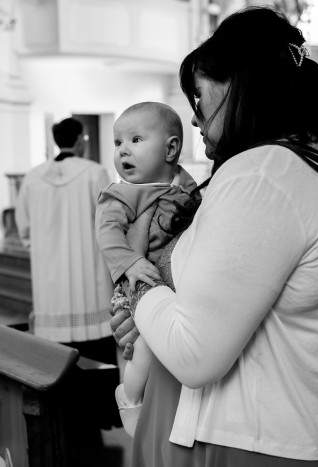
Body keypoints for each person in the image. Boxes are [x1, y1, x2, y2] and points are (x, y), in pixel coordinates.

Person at [110, 6, 318, 466]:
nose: (196, 119)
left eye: (198, 98)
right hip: (296, 432)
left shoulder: (262, 172)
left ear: (236, 85)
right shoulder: (311, 162)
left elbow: (195, 355)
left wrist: (141, 293)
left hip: (250, 444)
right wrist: (156, 315)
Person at [95, 102, 197, 436]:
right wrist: (131, 262)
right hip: (137, 286)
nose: (122, 150)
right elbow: (107, 233)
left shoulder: (185, 185)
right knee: (144, 350)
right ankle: (130, 396)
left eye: (135, 139)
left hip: (174, 291)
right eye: (117, 142)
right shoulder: (123, 193)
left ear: (171, 149)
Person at [14, 117, 120, 437]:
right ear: (81, 139)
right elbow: (109, 222)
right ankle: (100, 413)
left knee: (58, 352)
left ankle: (63, 409)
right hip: (90, 279)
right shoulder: (94, 172)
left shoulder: (33, 178)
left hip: (50, 280)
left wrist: (45, 249)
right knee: (98, 349)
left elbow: (24, 228)